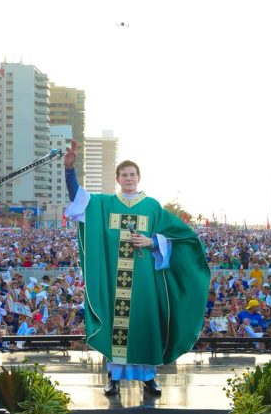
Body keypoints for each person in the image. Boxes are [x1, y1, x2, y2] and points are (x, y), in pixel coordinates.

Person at [63, 140, 210, 396]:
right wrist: (69, 170)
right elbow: (78, 198)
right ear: (118, 179)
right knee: (115, 327)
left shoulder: (151, 206)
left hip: (145, 280)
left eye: (132, 174)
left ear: (139, 178)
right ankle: (114, 378)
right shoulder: (105, 203)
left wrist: (152, 241)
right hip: (115, 280)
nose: (129, 178)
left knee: (145, 324)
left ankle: (149, 378)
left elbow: (182, 237)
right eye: (124, 175)